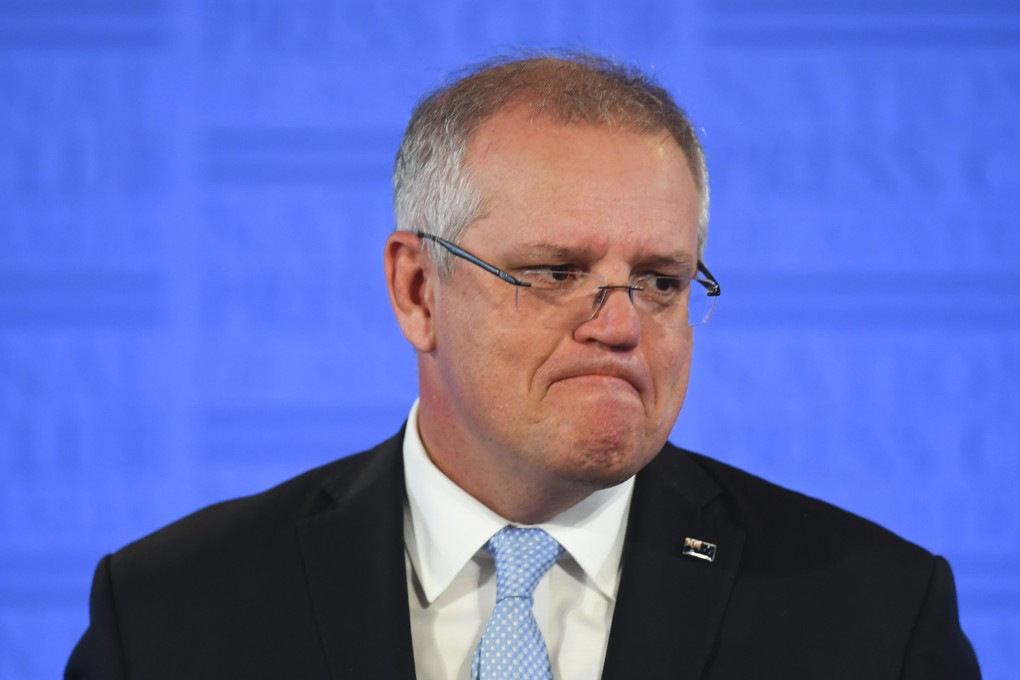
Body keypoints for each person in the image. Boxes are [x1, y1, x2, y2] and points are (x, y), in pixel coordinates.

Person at [65, 53, 980, 679]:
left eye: (660, 281)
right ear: (418, 290)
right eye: (556, 272)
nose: (621, 325)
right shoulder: (170, 613)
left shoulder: (876, 617)